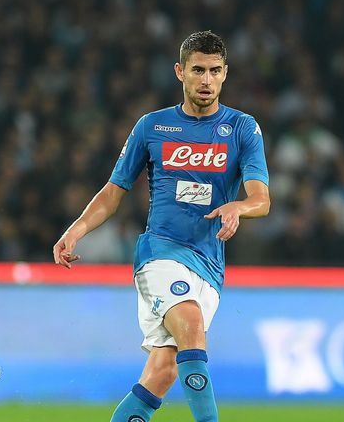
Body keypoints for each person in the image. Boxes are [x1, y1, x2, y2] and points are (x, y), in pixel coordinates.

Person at [52, 31, 270, 422]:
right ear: (179, 72)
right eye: (198, 70)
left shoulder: (242, 128)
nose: (206, 80)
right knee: (191, 325)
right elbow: (114, 190)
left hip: (210, 263)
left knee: (163, 372)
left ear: (225, 74)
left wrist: (239, 206)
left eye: (215, 71)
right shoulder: (152, 127)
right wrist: (75, 230)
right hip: (160, 252)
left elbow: (261, 199)